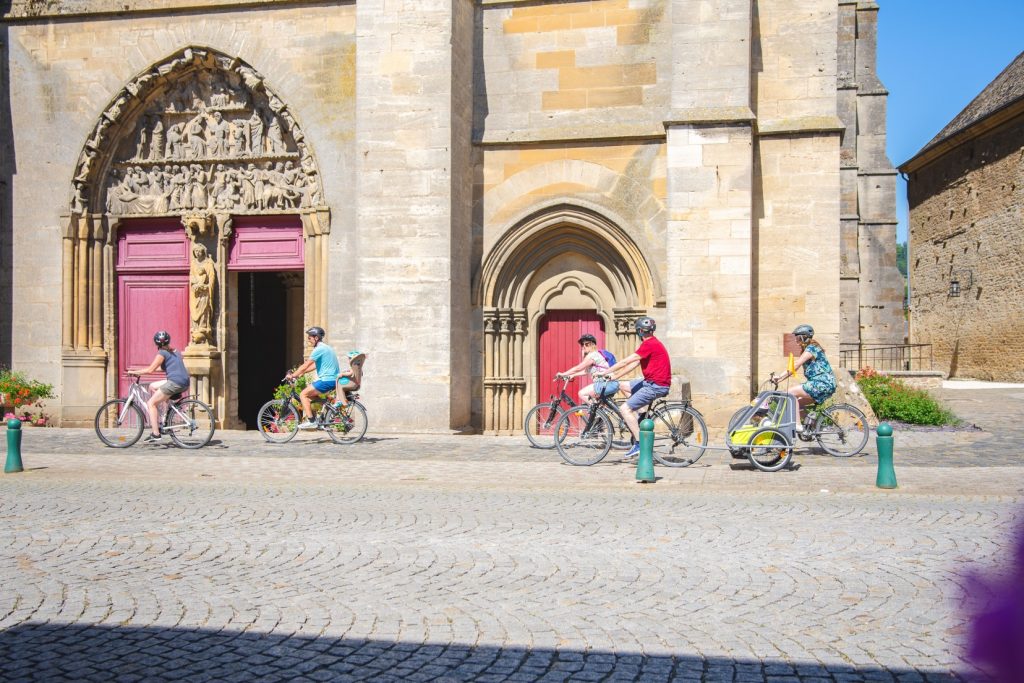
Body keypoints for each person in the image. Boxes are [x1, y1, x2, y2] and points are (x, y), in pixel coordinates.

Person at [600, 317, 672, 459]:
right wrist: (614, 377)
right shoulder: (652, 343)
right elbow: (633, 365)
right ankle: (641, 413)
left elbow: (627, 361)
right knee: (621, 385)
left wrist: (604, 372)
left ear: (639, 331)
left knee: (624, 409)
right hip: (649, 382)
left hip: (655, 386)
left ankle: (639, 443)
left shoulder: (649, 344)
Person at [128, 331, 191, 444]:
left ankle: (156, 434)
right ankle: (165, 415)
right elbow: (162, 368)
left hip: (174, 383)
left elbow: (150, 370)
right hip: (183, 381)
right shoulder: (174, 351)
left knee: (151, 403)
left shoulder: (162, 353)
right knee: (153, 386)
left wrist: (135, 372)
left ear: (156, 343)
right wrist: (141, 371)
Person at [771, 324, 836, 430]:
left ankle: (798, 426)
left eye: (797, 338)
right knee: (797, 405)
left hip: (822, 383)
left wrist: (780, 376)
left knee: (790, 393)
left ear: (804, 337)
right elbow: (794, 369)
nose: (796, 341)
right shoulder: (807, 349)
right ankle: (816, 427)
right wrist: (780, 379)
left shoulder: (812, 348)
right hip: (821, 384)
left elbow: (796, 365)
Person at [286, 326, 340, 430]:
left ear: (316, 338)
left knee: (303, 394)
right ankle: (324, 411)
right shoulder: (326, 348)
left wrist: (293, 375)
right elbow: (314, 365)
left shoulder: (319, 349)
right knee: (309, 397)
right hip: (332, 380)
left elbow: (306, 365)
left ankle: (311, 421)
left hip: (326, 380)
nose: (308, 340)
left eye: (310, 338)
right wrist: (302, 372)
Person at [556, 334, 619, 404]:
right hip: (607, 383)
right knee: (596, 402)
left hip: (606, 384)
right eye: (582, 345)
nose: (584, 346)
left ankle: (597, 411)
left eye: (587, 344)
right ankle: (598, 412)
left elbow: (578, 368)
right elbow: (586, 371)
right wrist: (573, 375)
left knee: (582, 393)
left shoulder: (593, 355)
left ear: (593, 345)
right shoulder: (595, 355)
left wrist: (563, 374)